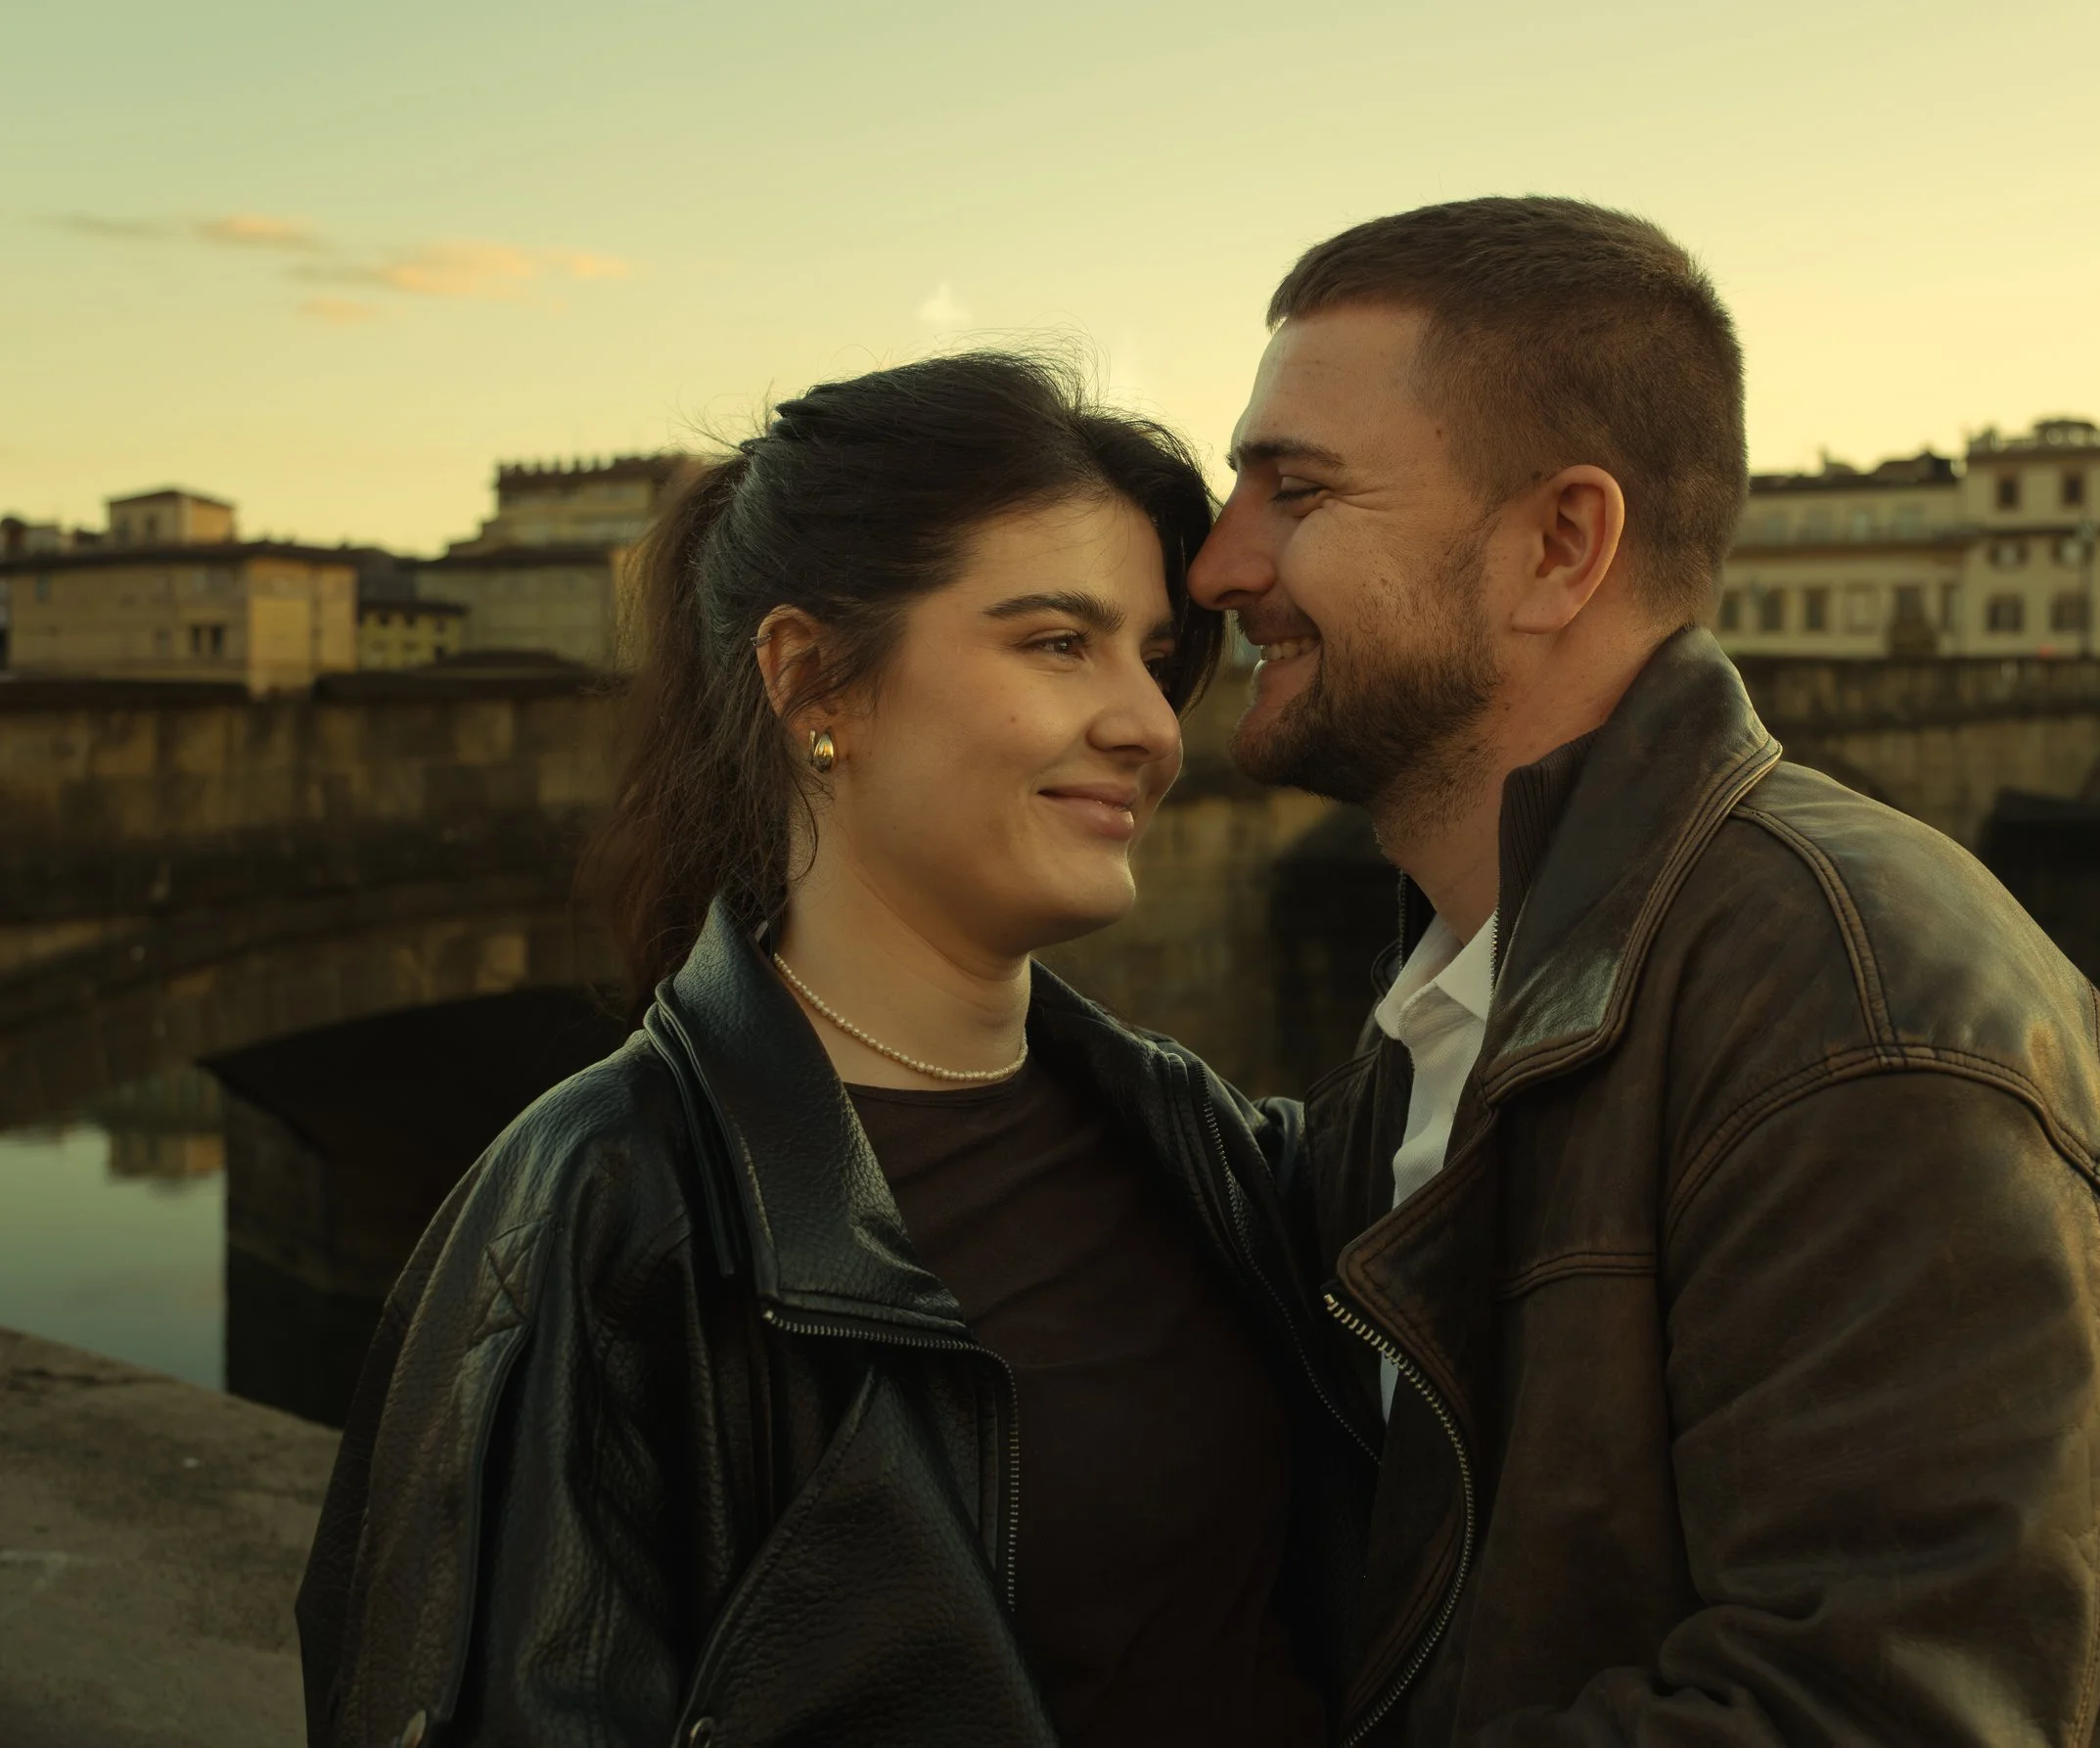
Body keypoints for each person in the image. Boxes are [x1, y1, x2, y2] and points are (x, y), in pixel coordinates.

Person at [1189, 197, 2100, 1746]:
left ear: (1560, 546)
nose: (1218, 564)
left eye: (1299, 490)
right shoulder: (1476, 975)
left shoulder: (1869, 1025)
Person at [296, 352, 1373, 1748]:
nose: (1153, 726)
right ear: (817, 683)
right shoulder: (597, 1212)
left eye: (1156, 658)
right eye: (1060, 641)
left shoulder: (1200, 1140)